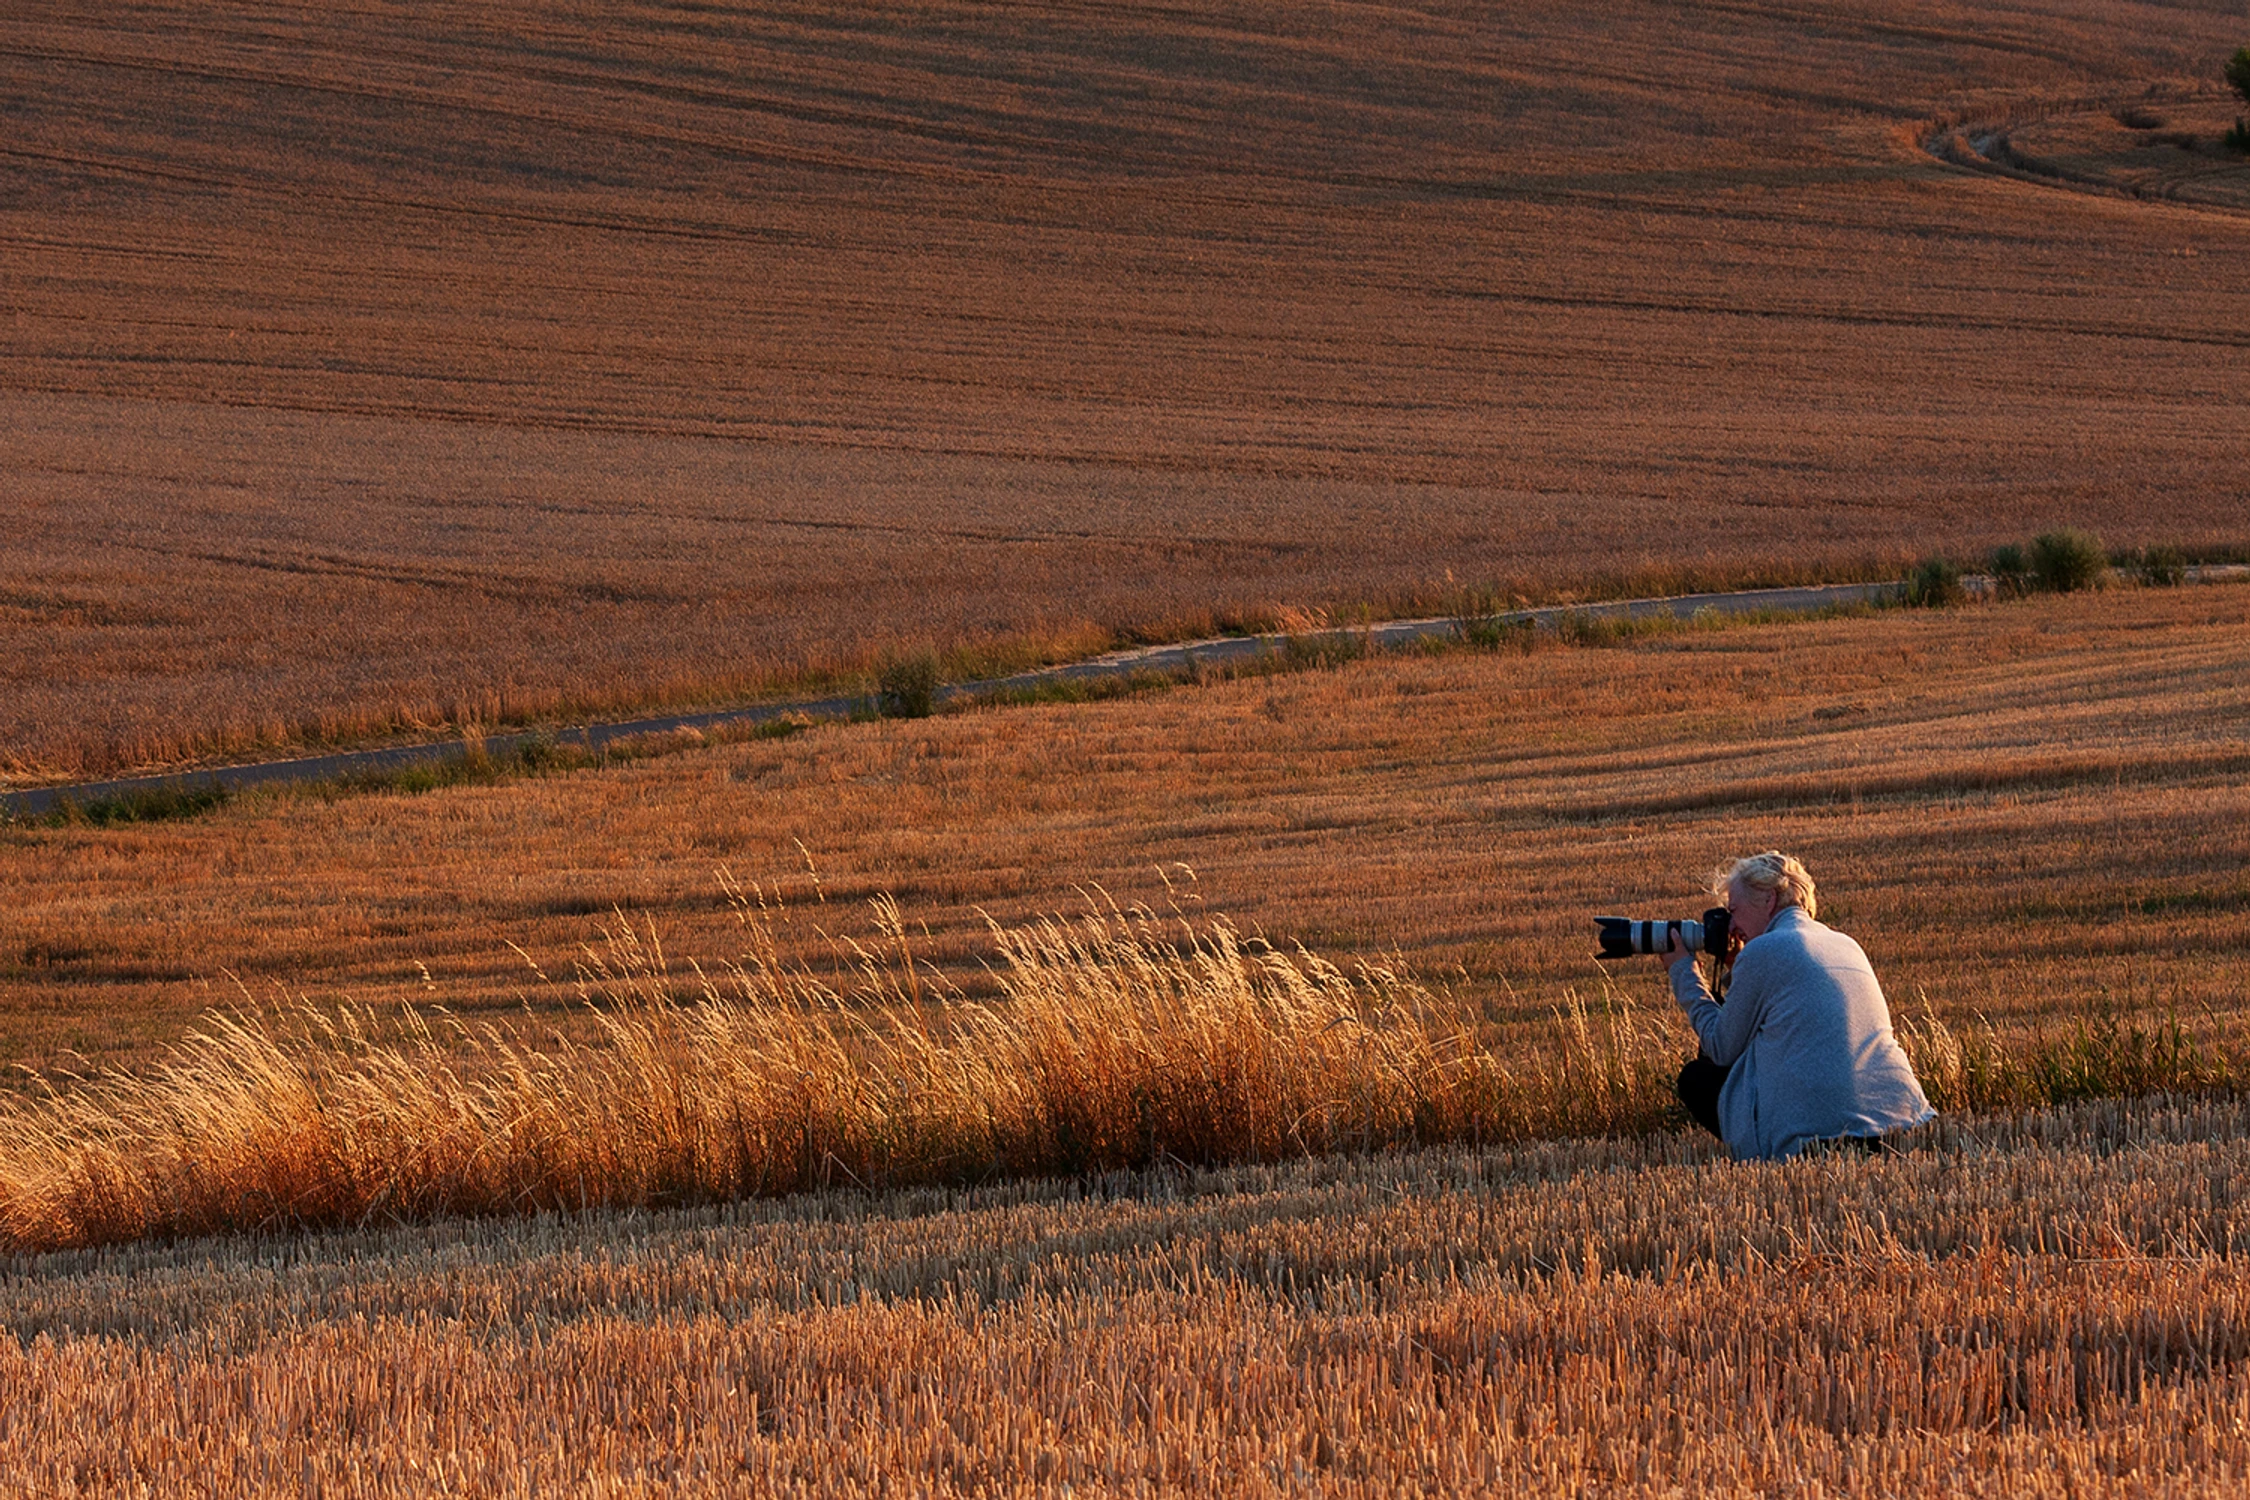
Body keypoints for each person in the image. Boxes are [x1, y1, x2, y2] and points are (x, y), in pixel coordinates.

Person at [1653, 851, 1932, 1160]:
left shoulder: (1764, 951)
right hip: (1900, 1125)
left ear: (1769, 899)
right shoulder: (1846, 943)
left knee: (1697, 1078)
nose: (1731, 924)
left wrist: (1683, 972)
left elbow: (1721, 1047)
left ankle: (1772, 1154)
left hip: (1816, 1138)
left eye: (1734, 910)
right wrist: (1738, 967)